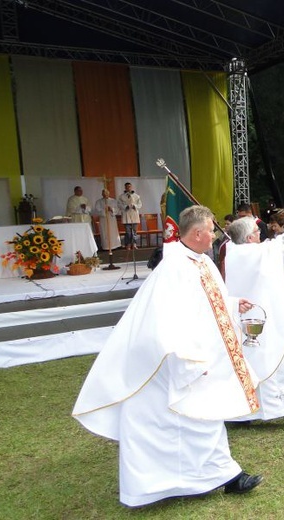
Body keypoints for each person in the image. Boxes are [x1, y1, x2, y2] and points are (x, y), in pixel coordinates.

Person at [72, 205, 263, 507]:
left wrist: (233, 303)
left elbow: (208, 301)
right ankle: (171, 485)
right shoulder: (174, 267)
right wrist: (188, 359)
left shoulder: (200, 261)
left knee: (199, 419)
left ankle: (221, 476)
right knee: (181, 422)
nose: (215, 234)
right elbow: (167, 316)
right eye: (212, 229)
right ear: (198, 233)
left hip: (192, 357)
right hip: (174, 360)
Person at [224, 213, 284, 425]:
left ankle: (254, 412)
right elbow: (281, 247)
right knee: (270, 358)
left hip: (252, 315)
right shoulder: (251, 254)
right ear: (249, 238)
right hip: (256, 318)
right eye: (257, 233)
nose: (261, 235)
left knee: (264, 361)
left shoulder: (236, 252)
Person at [117, 182, 142, 250]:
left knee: (134, 231)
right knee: (128, 232)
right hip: (126, 215)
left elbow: (140, 204)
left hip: (134, 214)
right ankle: (128, 244)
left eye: (129, 187)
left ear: (131, 187)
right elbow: (119, 204)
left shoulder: (136, 196)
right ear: (125, 187)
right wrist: (125, 207)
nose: (128, 188)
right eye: (127, 187)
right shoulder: (121, 196)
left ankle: (134, 244)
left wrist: (135, 206)